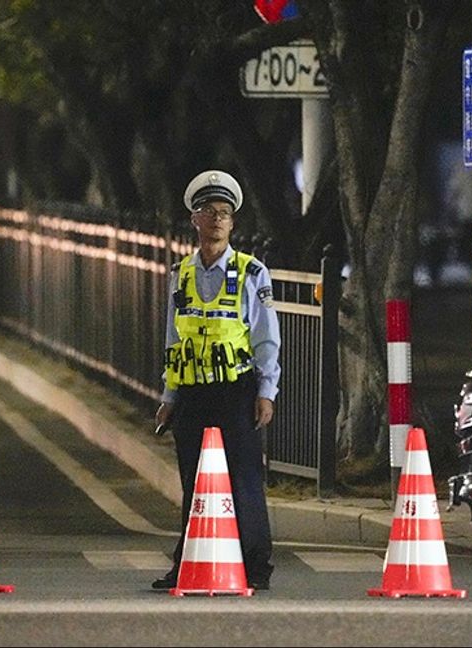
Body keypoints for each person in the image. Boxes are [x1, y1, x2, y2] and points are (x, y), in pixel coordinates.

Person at [151, 170, 281, 592]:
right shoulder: (181, 273)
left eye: (224, 213)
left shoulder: (251, 272)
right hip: (191, 392)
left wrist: (266, 391)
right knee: (193, 482)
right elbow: (173, 337)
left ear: (233, 223)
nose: (217, 219)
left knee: (244, 478)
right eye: (209, 212)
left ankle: (256, 565)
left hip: (235, 389)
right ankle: (187, 562)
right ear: (195, 219)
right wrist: (169, 396)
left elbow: (266, 338)